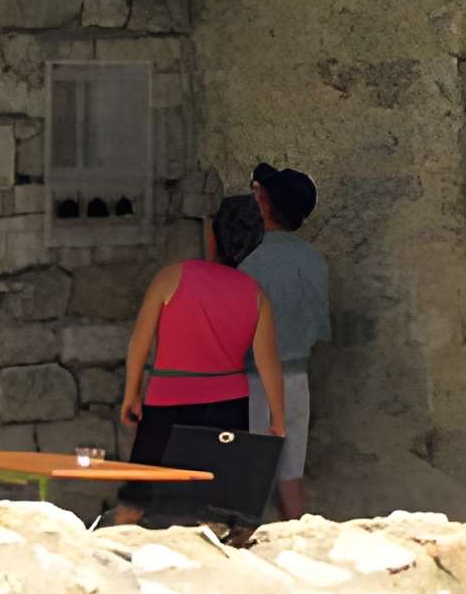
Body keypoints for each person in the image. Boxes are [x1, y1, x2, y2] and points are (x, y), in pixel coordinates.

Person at [117, 193, 284, 526]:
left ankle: (106, 567)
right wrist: (278, 420)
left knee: (135, 502)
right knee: (218, 510)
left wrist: (132, 393)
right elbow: (269, 363)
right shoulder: (256, 294)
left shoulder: (173, 276)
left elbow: (140, 342)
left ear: (211, 235)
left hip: (168, 403)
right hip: (229, 406)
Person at [239, 162, 329, 518]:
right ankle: (298, 534)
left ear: (263, 205)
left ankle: (244, 541)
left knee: (251, 471)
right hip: (297, 379)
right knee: (292, 472)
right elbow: (320, 328)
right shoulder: (315, 261)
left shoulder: (250, 264)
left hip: (256, 382)